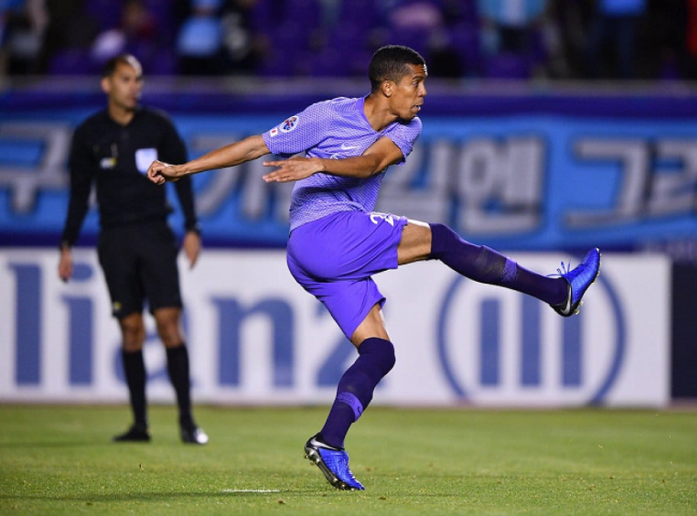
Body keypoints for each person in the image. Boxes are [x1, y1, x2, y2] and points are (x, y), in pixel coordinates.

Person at [146, 45, 600, 488]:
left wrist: (317, 164)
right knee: (440, 238)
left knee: (380, 352)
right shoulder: (327, 115)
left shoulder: (408, 127)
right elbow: (254, 145)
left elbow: (369, 164)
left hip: (319, 258)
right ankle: (556, 293)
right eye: (415, 83)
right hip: (322, 235)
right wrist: (182, 170)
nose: (422, 93)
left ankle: (330, 442)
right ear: (387, 87)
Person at [59, 54, 208, 445]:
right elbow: (78, 193)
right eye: (126, 79)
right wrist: (67, 244)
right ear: (107, 84)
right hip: (115, 240)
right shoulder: (89, 133)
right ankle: (140, 424)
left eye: (138, 79)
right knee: (130, 329)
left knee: (169, 324)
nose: (134, 86)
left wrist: (192, 228)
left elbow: (184, 177)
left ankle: (187, 421)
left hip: (155, 235)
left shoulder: (157, 126)